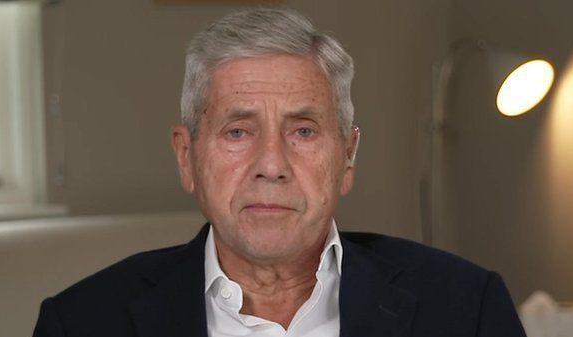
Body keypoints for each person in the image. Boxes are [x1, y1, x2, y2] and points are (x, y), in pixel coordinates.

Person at [33, 8, 527, 337]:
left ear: (348, 157)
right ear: (187, 157)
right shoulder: (80, 323)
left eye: (304, 132)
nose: (271, 165)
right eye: (238, 132)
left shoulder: (467, 308)